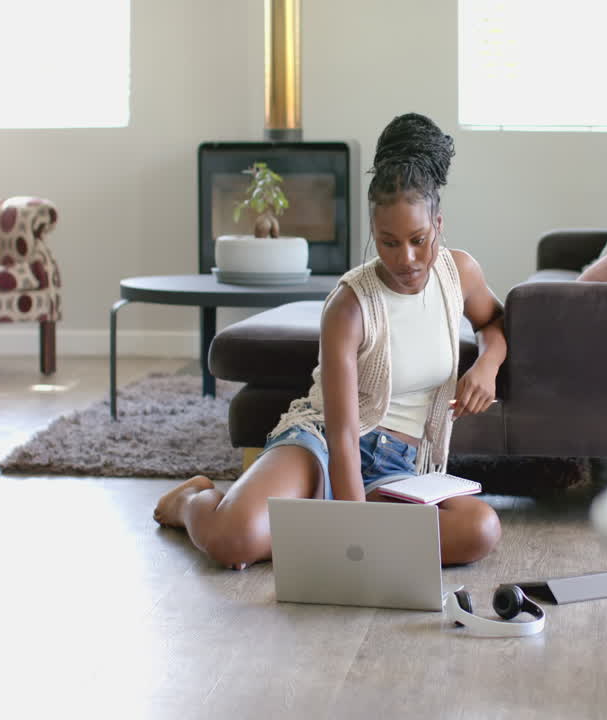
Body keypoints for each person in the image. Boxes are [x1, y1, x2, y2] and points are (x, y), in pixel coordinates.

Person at [154, 113, 505, 570]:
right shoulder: (349, 304)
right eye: (388, 242)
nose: (407, 258)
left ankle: (308, 526)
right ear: (373, 233)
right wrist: (353, 539)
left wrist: (487, 366)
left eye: (418, 239)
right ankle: (194, 499)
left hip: (397, 468)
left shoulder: (459, 274)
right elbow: (342, 433)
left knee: (480, 528)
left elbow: (495, 323)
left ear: (438, 223)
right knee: (231, 542)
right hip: (321, 444)